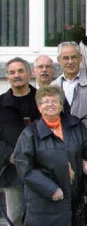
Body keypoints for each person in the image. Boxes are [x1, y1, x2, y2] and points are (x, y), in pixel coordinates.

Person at [13, 86, 87, 225]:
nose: (50, 104)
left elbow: (86, 150)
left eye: (55, 101)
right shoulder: (30, 133)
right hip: (43, 204)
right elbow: (24, 166)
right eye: (45, 101)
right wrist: (50, 189)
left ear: (61, 105)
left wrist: (82, 161)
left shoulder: (75, 126)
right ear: (39, 107)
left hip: (73, 201)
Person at [0, 57, 41, 226]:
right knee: (15, 217)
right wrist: (9, 155)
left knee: (40, 216)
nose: (16, 75)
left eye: (20, 71)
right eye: (12, 72)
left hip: (41, 169)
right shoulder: (0, 103)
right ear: (7, 76)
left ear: (30, 73)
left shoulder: (42, 100)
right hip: (12, 171)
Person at [52, 41, 87, 126]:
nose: (70, 62)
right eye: (66, 58)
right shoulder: (54, 86)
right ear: (59, 60)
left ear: (80, 58)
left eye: (74, 57)